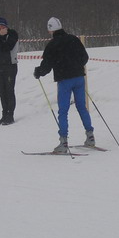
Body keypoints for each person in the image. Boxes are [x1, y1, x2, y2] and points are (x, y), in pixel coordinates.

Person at [33, 17, 94, 153]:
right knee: (82, 107)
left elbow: (47, 65)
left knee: (63, 111)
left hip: (64, 80)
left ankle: (63, 142)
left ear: (50, 30)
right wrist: (76, 66)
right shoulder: (74, 39)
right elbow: (85, 57)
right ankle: (90, 136)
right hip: (79, 78)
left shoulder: (52, 44)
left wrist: (38, 72)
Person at [0, 17, 19, 125]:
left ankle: (10, 115)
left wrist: (2, 38)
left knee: (9, 90)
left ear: (6, 26)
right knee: (1, 91)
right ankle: (4, 114)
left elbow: (8, 47)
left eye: (1, 26)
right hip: (0, 66)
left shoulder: (12, 34)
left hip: (10, 66)